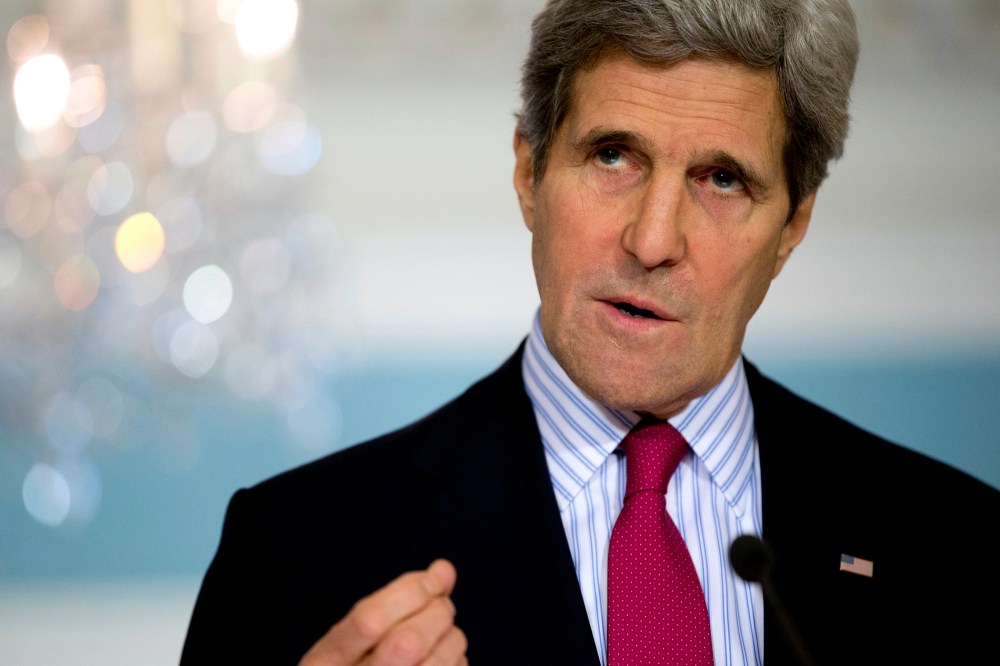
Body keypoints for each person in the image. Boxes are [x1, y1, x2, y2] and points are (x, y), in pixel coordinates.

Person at [181, 1, 1000, 664]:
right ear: (529, 172)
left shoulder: (958, 548)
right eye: (614, 156)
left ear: (792, 227)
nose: (652, 241)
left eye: (722, 179)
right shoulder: (297, 554)